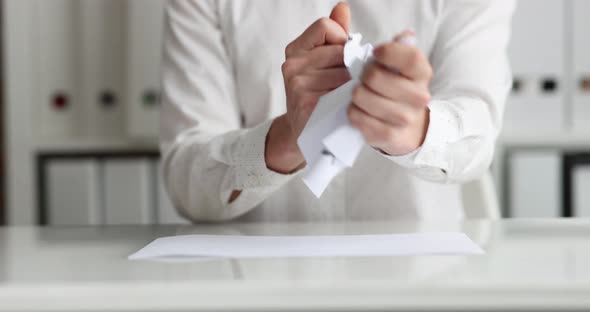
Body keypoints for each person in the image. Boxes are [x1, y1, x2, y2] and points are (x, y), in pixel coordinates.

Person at [160, 0, 514, 222]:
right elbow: (186, 184)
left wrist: (415, 130)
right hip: (258, 286)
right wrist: (285, 140)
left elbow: (478, 136)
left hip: (422, 280)